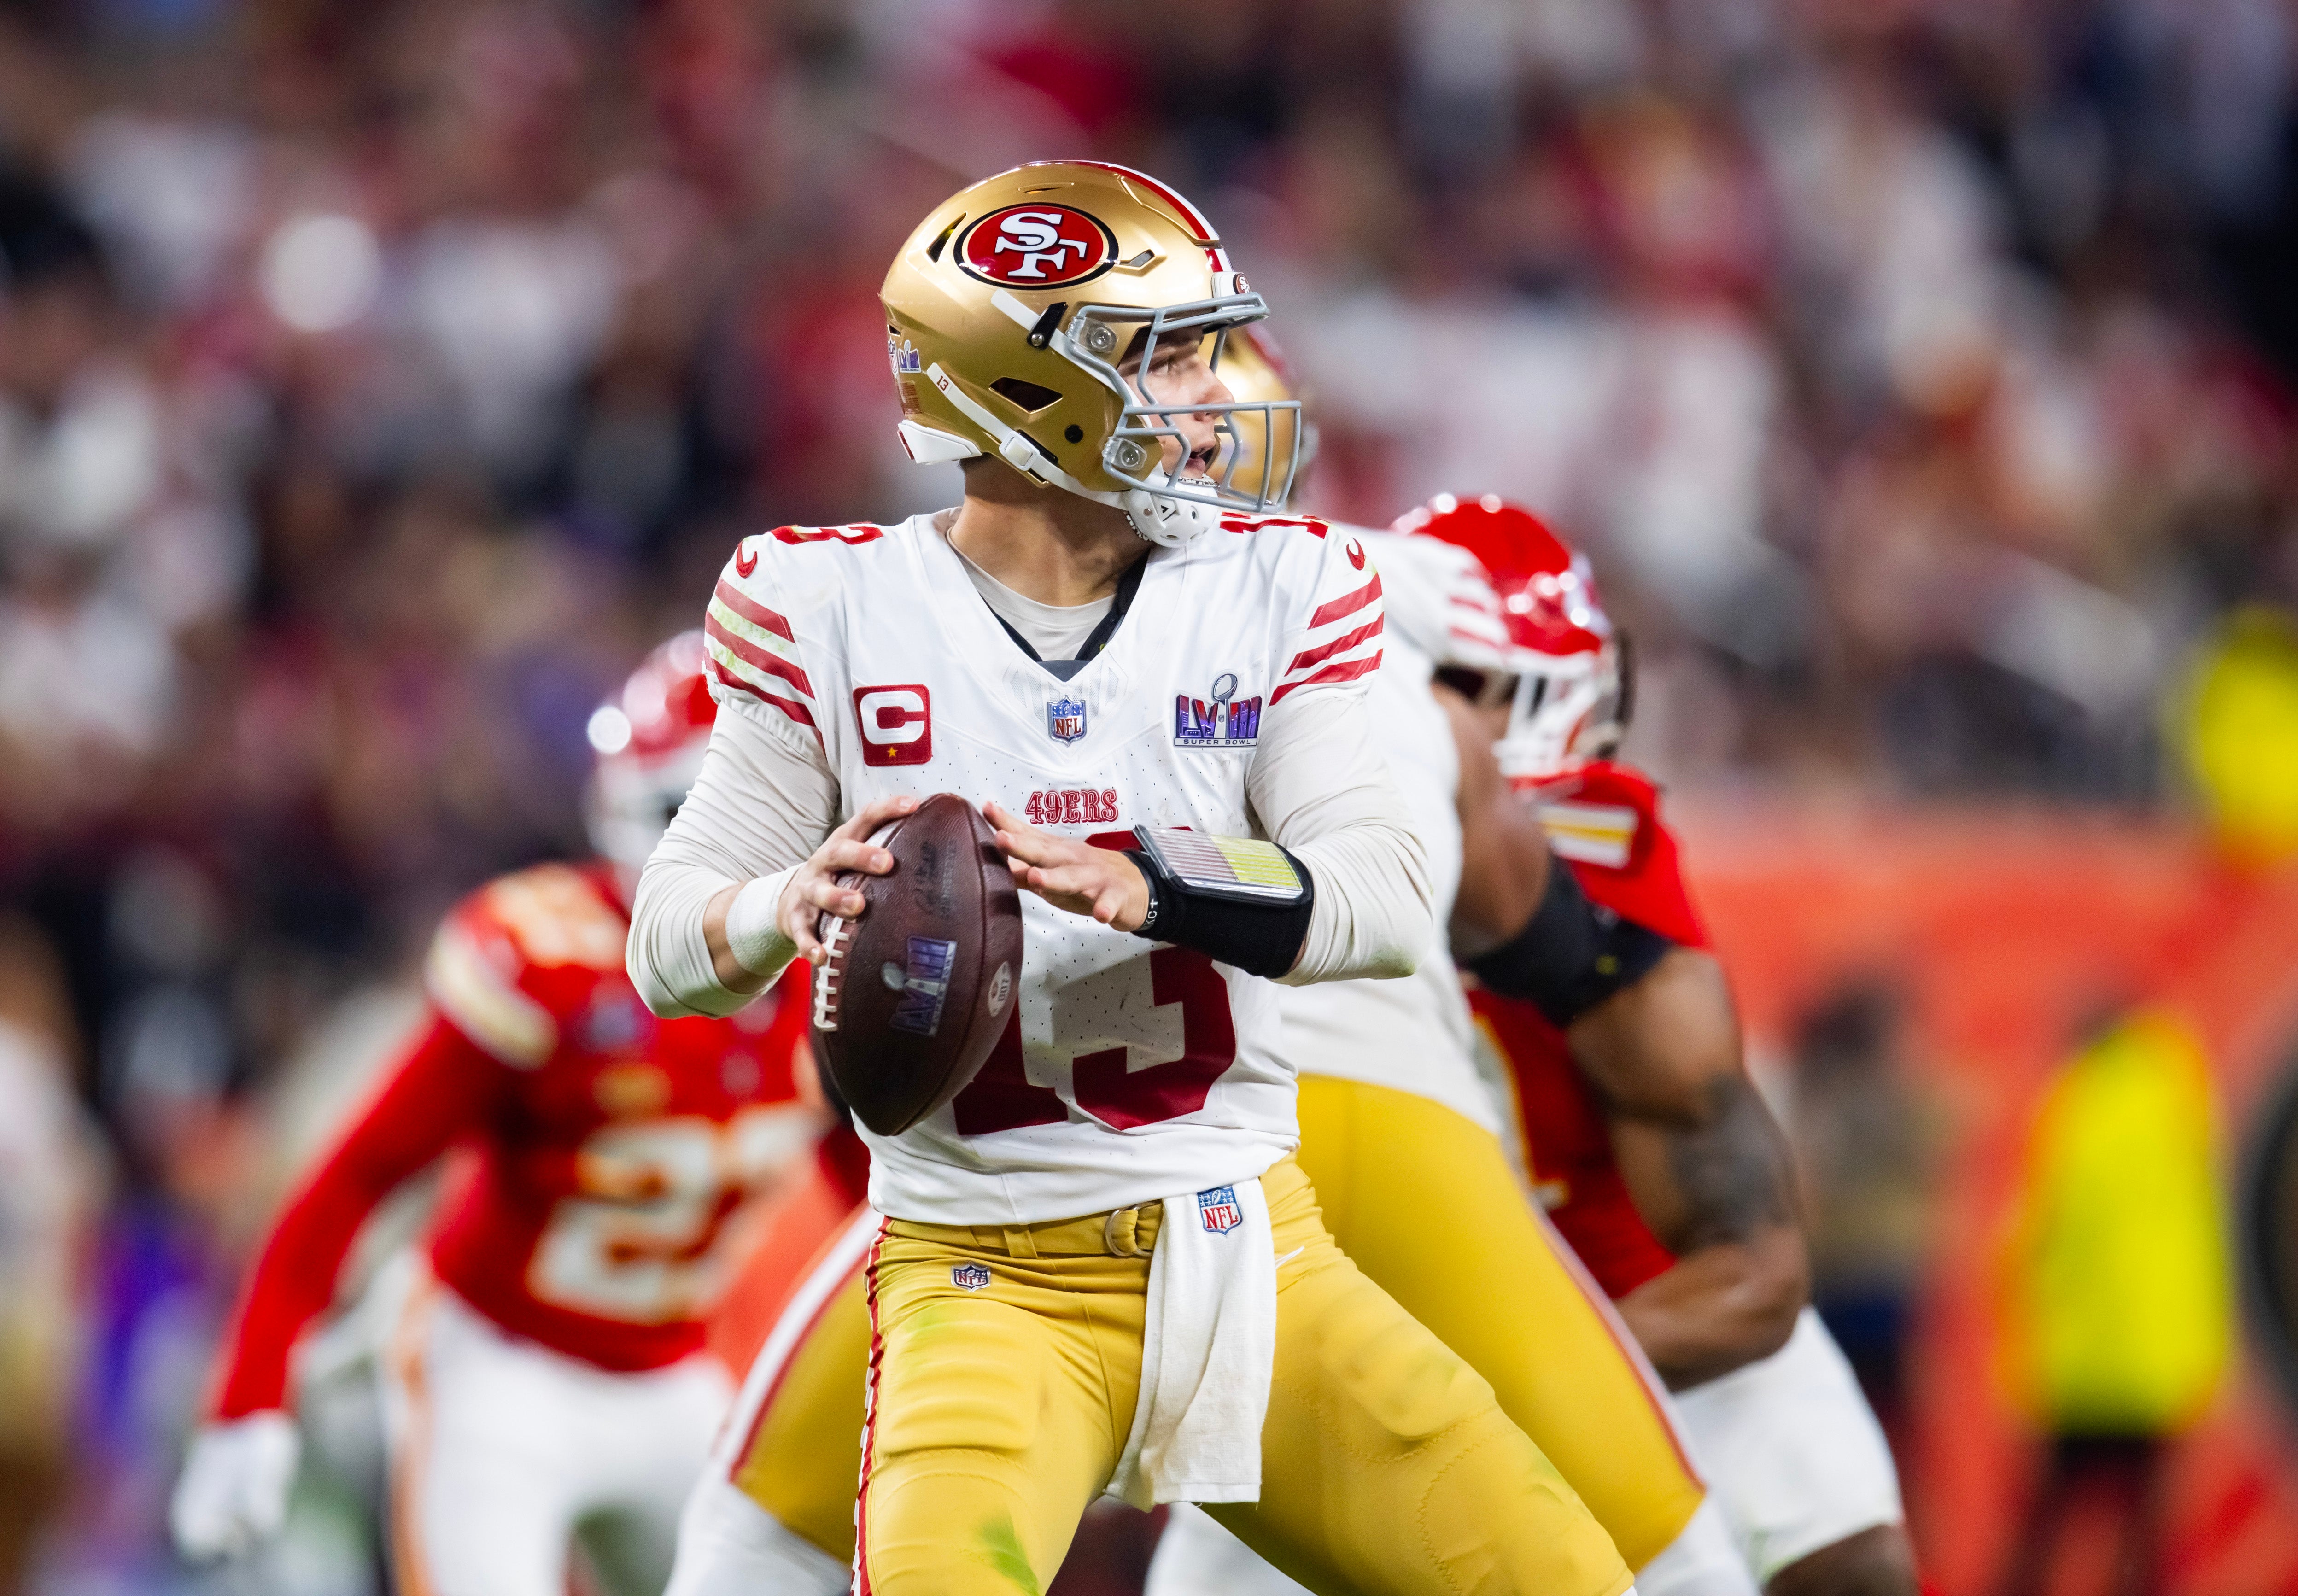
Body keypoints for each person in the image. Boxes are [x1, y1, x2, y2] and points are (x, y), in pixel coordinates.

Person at [628, 159, 1632, 1596]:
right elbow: (667, 941)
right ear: (1029, 395)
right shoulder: (828, 606)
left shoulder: (1281, 585)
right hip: (984, 1287)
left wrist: (1153, 881)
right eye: (1165, 355)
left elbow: (1386, 898)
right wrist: (781, 906)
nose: (1218, 393)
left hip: (1254, 1261)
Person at [171, 632, 826, 1596]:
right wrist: (249, 1394)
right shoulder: (548, 964)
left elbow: (881, 1207)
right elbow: (356, 1173)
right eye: (679, 813)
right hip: (499, 1369)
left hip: (676, 1375)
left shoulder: (835, 975)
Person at [1421, 496, 1918, 1596]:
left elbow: (1752, 1272)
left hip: (1633, 1318)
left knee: (1850, 1568)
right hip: (1388, 1341)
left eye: (1460, 694)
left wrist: (1517, 1385)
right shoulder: (1286, 850)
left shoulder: (1598, 891)